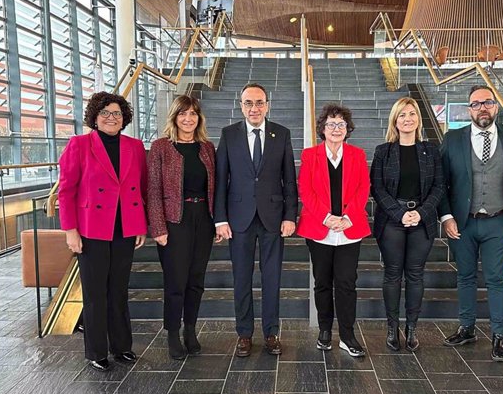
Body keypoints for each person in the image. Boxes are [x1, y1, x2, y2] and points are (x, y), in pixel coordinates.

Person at [59, 92, 147, 372]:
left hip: (124, 228)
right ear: (95, 118)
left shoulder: (134, 146)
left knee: (119, 291)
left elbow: (142, 188)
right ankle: (97, 351)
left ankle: (121, 346)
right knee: (96, 293)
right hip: (92, 229)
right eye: (106, 113)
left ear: (125, 118)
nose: (112, 118)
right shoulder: (79, 144)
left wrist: (139, 224)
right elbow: (66, 190)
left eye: (117, 114)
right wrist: (70, 231)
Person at [439, 85, 503, 362]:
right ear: (469, 109)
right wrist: (446, 216)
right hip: (462, 222)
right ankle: (467, 328)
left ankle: (498, 335)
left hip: (499, 221)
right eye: (476, 104)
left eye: (487, 102)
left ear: (496, 106)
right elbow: (441, 183)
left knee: (496, 279)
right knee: (465, 276)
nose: (482, 108)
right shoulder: (452, 139)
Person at [214, 83, 298, 357]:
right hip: (239, 219)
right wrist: (220, 219)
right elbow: (220, 181)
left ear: (267, 105)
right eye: (248, 103)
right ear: (241, 106)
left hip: (273, 218)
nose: (254, 108)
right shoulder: (229, 135)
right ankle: (244, 333)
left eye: (259, 102)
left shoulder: (281, 134)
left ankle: (271, 333)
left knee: (272, 278)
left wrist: (290, 215)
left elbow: (289, 180)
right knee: (242, 278)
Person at [371, 97, 445, 352]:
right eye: (402, 115)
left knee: (415, 274)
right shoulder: (383, 151)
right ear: (395, 120)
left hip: (422, 221)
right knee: (392, 274)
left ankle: (411, 327)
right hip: (392, 220)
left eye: (412, 113)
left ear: (418, 119)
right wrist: (399, 213)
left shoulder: (431, 150)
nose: (407, 119)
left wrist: (422, 212)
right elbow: (377, 188)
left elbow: (438, 186)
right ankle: (392, 327)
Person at [296, 104, 371, 357]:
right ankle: (325, 330)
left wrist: (349, 216)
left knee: (347, 283)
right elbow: (306, 190)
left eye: (341, 124)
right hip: (320, 228)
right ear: (323, 129)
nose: (336, 129)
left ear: (347, 129)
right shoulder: (310, 155)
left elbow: (364, 188)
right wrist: (326, 218)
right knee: (322, 282)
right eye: (331, 124)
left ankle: (347, 335)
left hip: (350, 227)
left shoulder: (357, 154)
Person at [147, 95, 217, 360]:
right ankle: (173, 333)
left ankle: (190, 329)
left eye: (193, 114)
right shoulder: (161, 147)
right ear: (174, 117)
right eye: (182, 114)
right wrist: (158, 227)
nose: (188, 119)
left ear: (199, 118)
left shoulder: (207, 148)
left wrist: (218, 221)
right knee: (176, 281)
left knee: (196, 280)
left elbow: (216, 186)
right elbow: (153, 190)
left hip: (203, 218)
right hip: (174, 220)